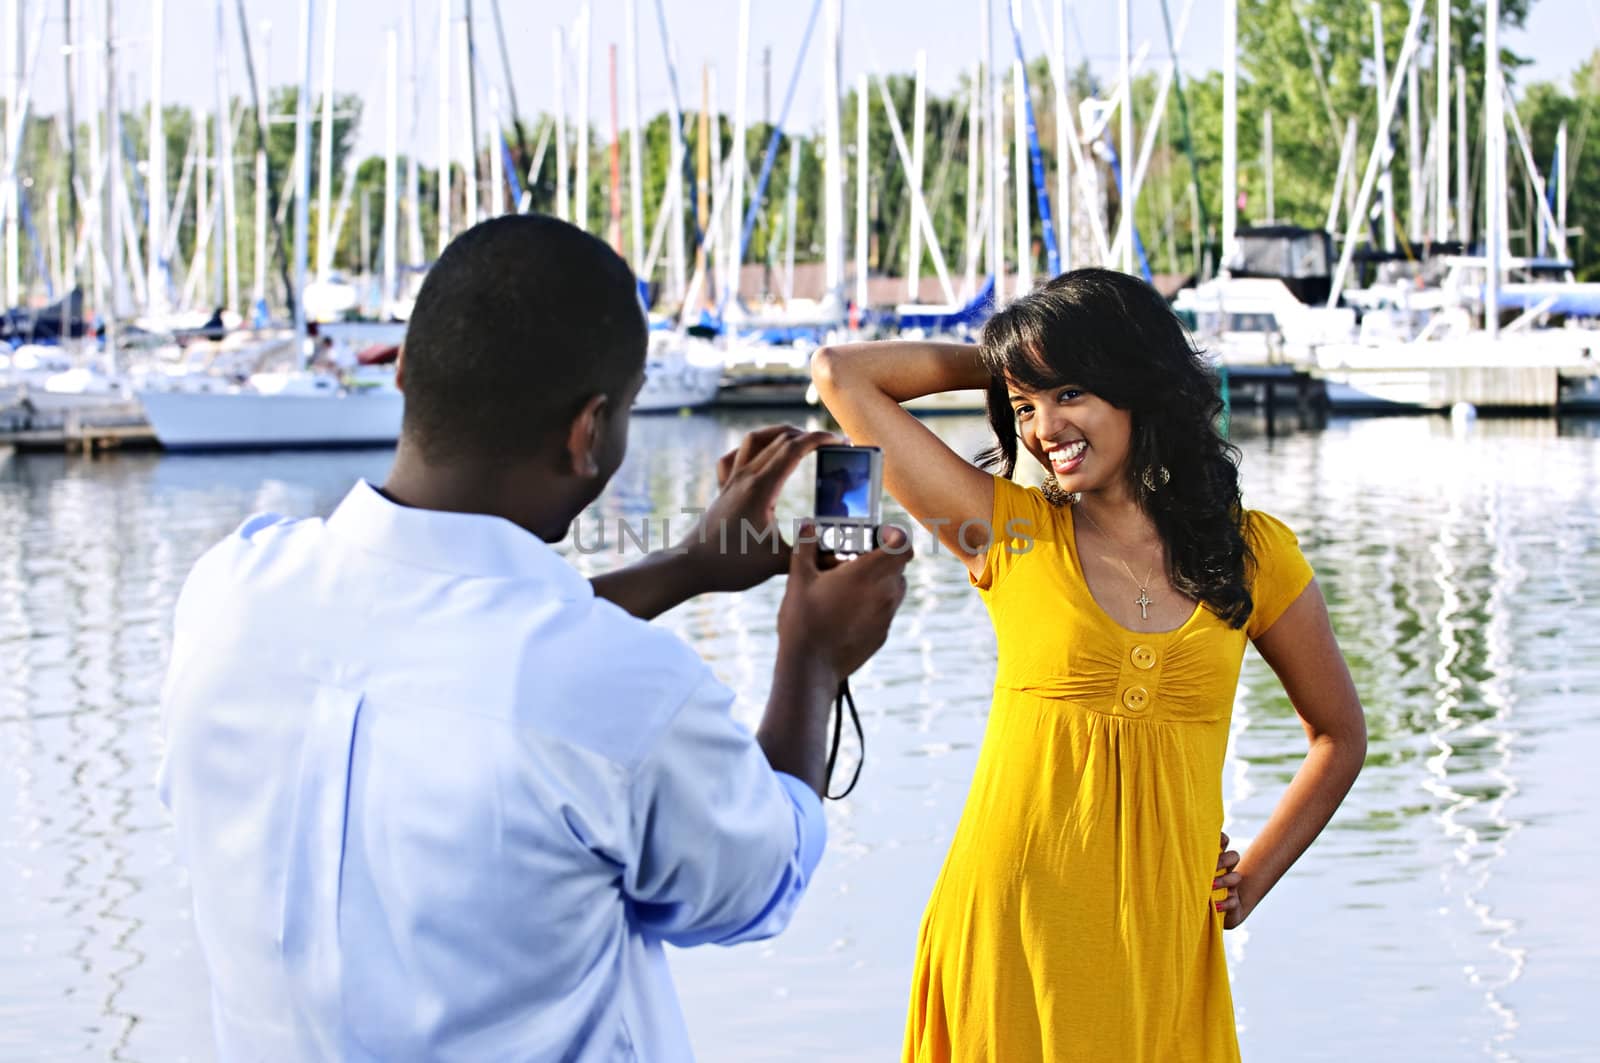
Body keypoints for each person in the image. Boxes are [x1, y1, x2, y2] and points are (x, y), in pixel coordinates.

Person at [157, 214, 913, 1061]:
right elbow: (759, 880)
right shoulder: (625, 694)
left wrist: (688, 567)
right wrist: (810, 654)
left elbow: (451, 648)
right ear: (589, 432)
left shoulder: (232, 591)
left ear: (406, 372)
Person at [812, 268, 1367, 1062]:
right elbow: (843, 375)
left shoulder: (1256, 556)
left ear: (1138, 382)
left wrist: (1250, 879)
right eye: (1026, 405)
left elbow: (1339, 735)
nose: (1042, 429)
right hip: (1007, 938)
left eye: (1069, 393)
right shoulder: (1004, 532)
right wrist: (1015, 363)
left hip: (1160, 951)